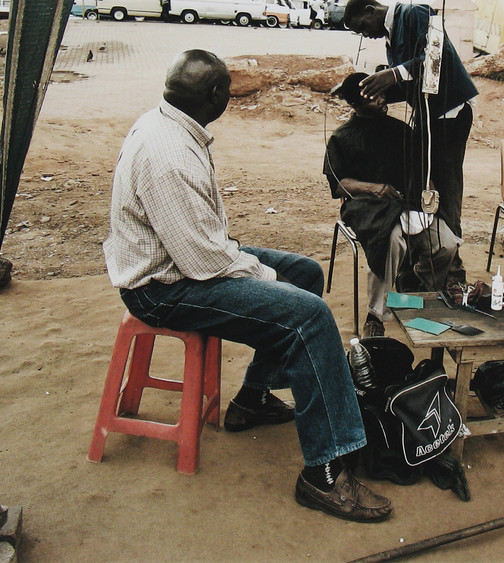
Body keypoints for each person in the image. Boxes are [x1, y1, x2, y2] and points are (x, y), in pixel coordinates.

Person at [104, 49, 392, 523]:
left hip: (185, 262)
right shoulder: (169, 155)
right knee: (310, 316)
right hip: (164, 288)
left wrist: (271, 276)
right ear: (218, 95)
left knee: (306, 274)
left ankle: (252, 399)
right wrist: (265, 278)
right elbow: (205, 263)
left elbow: (203, 246)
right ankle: (324, 471)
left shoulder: (169, 122)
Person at [342, 0, 478, 287]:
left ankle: (454, 276)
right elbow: (411, 84)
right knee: (422, 186)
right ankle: (431, 263)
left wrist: (395, 73)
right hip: (430, 114)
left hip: (449, 114)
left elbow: (436, 58)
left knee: (445, 190)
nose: (365, 34)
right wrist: (368, 91)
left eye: (362, 27)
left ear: (370, 9)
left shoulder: (414, 14)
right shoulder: (394, 34)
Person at [324, 72, 459, 338]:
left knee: (447, 243)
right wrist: (374, 188)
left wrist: (428, 187)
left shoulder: (400, 131)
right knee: (391, 240)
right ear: (355, 104)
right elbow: (339, 185)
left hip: (403, 202)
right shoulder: (342, 137)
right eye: (374, 98)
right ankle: (376, 314)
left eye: (382, 94)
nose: (382, 99)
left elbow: (422, 168)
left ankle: (417, 293)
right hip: (365, 205)